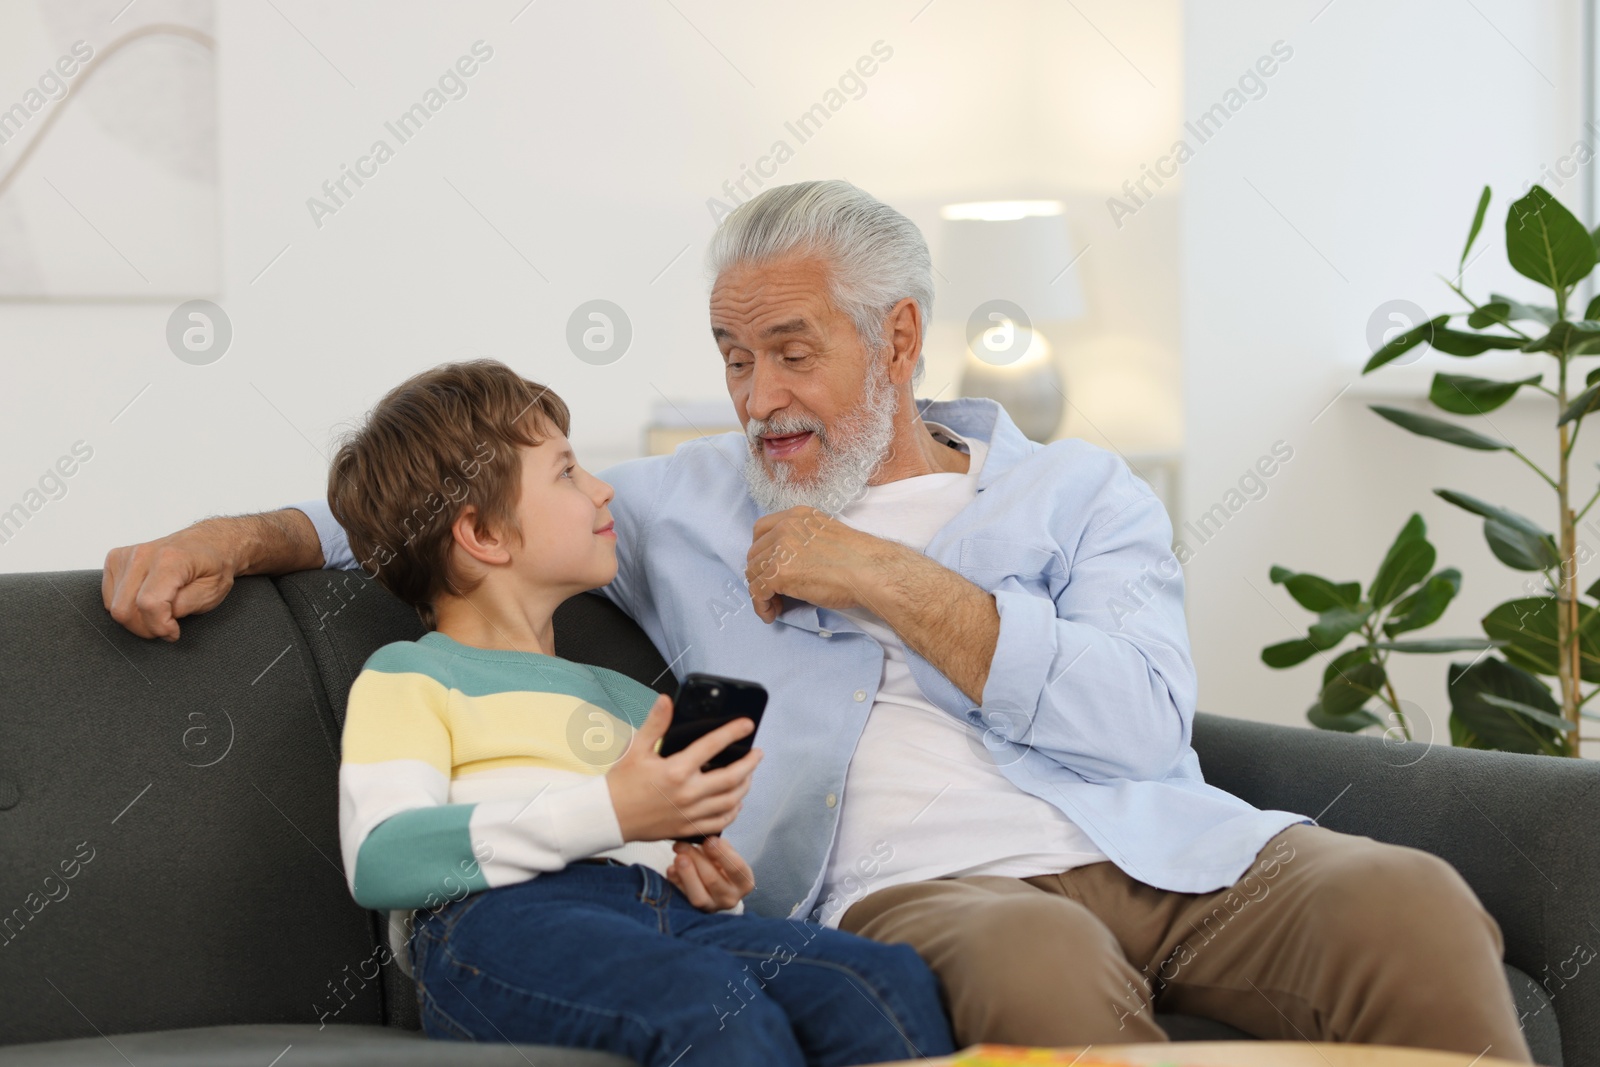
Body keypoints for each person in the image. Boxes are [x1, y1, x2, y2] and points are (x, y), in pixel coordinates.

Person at [102, 180, 1533, 1063]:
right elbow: (440, 507)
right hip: (925, 889)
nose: (757, 393)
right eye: (734, 355)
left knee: (1407, 898)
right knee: (1039, 971)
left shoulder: (1080, 492)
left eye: (795, 348)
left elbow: (1143, 723)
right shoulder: (678, 504)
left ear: (901, 340)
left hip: (1165, 839)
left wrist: (877, 572)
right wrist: (234, 536)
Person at [322, 360, 954, 1067]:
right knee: (704, 999)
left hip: (664, 915)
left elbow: (650, 836)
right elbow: (383, 856)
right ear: (484, 535)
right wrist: (609, 811)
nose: (603, 489)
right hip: (499, 924)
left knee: (880, 983)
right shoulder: (413, 674)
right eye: (566, 472)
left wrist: (716, 885)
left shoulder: (630, 697)